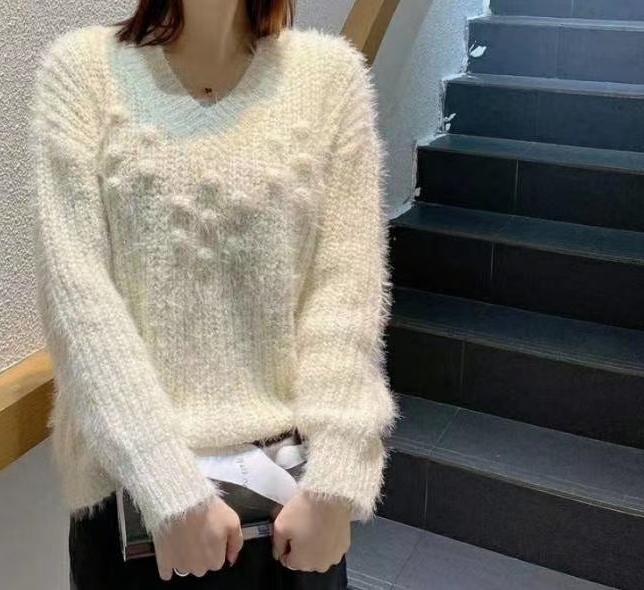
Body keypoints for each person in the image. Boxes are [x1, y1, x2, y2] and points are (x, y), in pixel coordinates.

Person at [28, 0, 398, 587]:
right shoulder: (82, 74)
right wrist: (169, 486)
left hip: (291, 510)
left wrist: (336, 480)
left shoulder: (330, 79)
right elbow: (79, 302)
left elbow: (345, 299)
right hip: (137, 513)